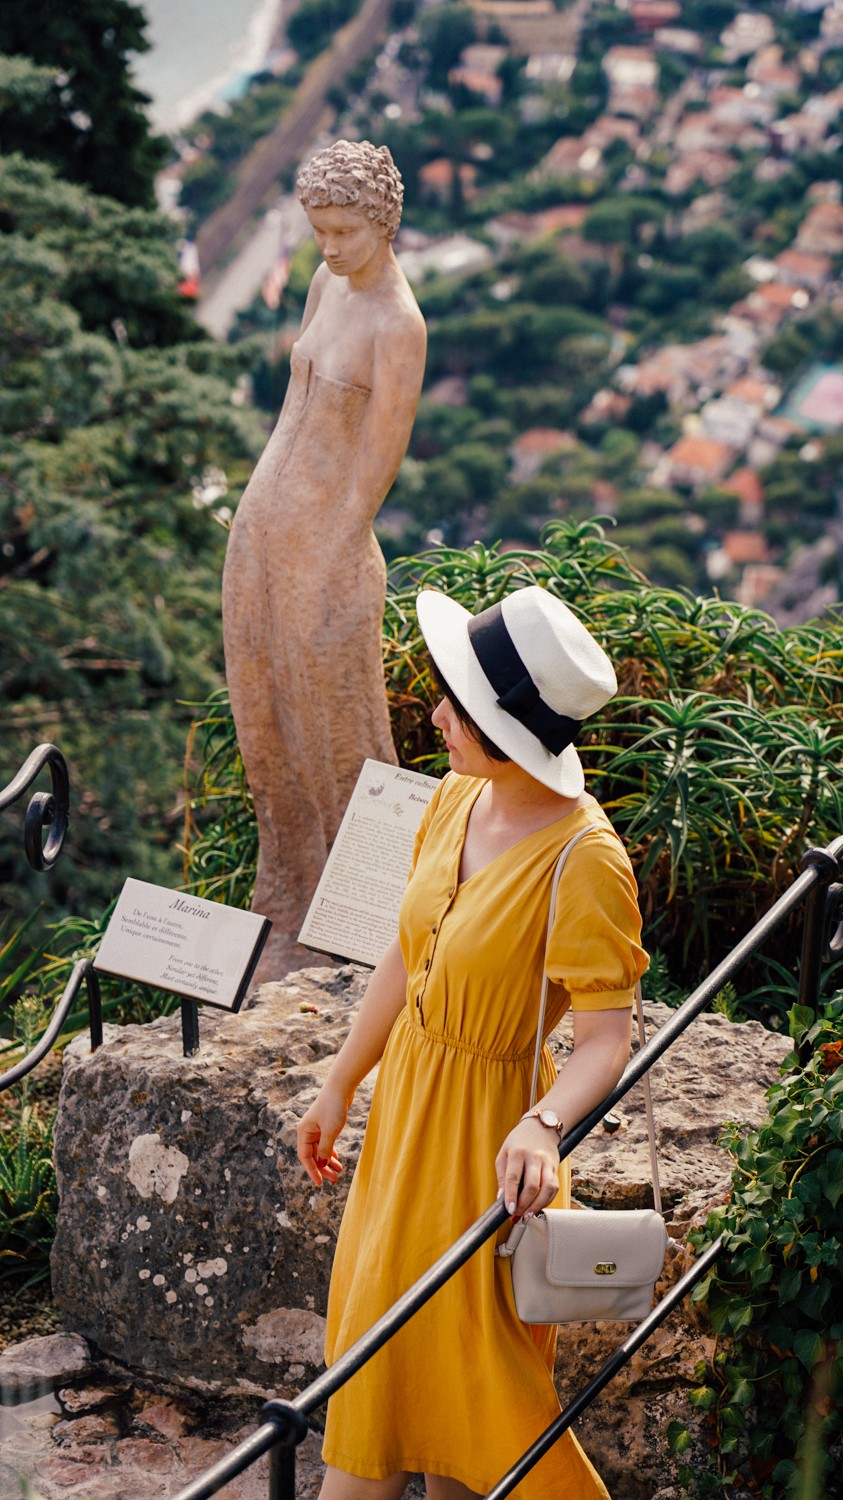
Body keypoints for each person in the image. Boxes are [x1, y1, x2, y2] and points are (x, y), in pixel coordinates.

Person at [297, 584, 649, 1499]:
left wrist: (542, 1122)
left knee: (472, 1425)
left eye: (462, 703)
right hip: (402, 1132)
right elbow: (403, 950)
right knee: (378, 1386)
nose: (437, 713)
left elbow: (609, 1038)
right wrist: (340, 1082)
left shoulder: (586, 859)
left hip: (486, 1152)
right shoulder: (457, 797)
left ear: (514, 728)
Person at [222, 140, 426, 985]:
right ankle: (288, 898)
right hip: (265, 528)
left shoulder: (398, 326)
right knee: (264, 721)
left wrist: (324, 557)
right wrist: (254, 525)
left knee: (339, 734)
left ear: (381, 220)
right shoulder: (323, 285)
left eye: (344, 231)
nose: (330, 248)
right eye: (319, 232)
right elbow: (287, 418)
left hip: (329, 553)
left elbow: (372, 475)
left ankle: (366, 920)